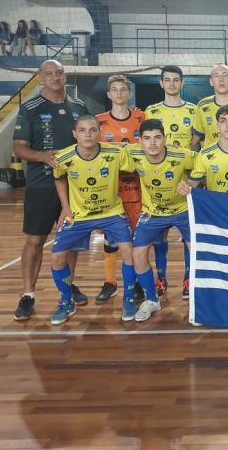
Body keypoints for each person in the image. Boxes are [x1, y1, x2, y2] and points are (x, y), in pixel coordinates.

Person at [13, 59, 90, 321]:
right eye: (49, 73)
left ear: (65, 75)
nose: (55, 77)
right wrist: (43, 156)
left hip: (74, 187)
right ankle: (27, 295)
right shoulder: (30, 107)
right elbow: (19, 148)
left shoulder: (78, 106)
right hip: (42, 185)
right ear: (40, 77)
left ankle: (66, 287)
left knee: (69, 242)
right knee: (35, 241)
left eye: (59, 72)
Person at [51, 115, 136, 324]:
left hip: (111, 213)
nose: (87, 135)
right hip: (79, 215)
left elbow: (137, 159)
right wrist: (65, 208)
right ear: (74, 134)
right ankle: (66, 300)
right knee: (56, 257)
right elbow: (58, 178)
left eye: (92, 130)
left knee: (129, 252)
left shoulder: (115, 153)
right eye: (82, 130)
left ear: (99, 132)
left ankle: (129, 298)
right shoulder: (63, 157)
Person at [126, 119, 196, 321]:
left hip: (182, 209)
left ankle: (197, 295)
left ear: (165, 139)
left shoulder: (182, 154)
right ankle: (151, 299)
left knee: (197, 250)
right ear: (140, 141)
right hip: (152, 212)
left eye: (157, 137)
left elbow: (204, 163)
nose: (153, 143)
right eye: (147, 138)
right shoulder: (133, 154)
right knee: (137, 254)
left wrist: (191, 182)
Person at [144, 65, 197, 297]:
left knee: (189, 234)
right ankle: (161, 277)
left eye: (176, 80)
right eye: (168, 80)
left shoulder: (194, 110)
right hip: (158, 179)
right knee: (160, 234)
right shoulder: (151, 110)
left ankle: (188, 278)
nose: (172, 84)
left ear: (182, 83)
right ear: (161, 84)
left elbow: (197, 141)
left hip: (185, 178)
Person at [94, 75, 145, 305]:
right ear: (108, 94)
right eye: (114, 89)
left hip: (136, 188)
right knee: (111, 240)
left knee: (135, 239)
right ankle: (110, 282)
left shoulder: (142, 117)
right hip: (109, 190)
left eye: (123, 89)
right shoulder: (99, 121)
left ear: (129, 93)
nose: (119, 93)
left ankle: (134, 284)